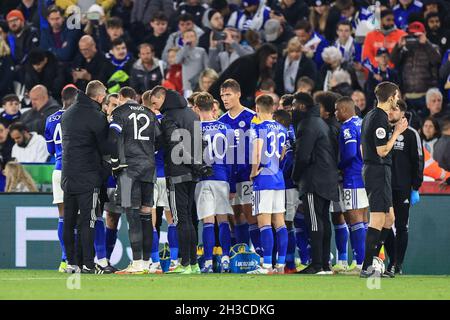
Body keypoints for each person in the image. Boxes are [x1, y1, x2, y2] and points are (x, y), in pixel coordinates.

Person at [60, 80, 111, 274]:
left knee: (69, 220)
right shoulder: (96, 116)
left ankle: (72, 263)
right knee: (88, 221)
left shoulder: (68, 114)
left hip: (68, 175)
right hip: (88, 176)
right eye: (104, 94)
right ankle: (89, 264)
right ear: (99, 97)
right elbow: (105, 147)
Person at [108, 86, 160, 275]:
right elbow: (160, 139)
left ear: (121, 97)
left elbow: (113, 137)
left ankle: (137, 263)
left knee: (132, 215)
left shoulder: (119, 112)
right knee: (146, 215)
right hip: (148, 168)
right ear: (135, 97)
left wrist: (115, 163)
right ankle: (146, 263)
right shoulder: (148, 112)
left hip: (128, 171)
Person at [360, 81, 408, 278]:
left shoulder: (370, 116)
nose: (398, 99)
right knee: (379, 218)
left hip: (378, 170)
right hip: (377, 170)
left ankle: (377, 263)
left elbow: (363, 149)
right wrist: (397, 132)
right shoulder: (380, 119)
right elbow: (381, 151)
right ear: (390, 98)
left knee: (390, 218)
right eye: (396, 96)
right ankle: (367, 267)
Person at [291, 92, 339, 274]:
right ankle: (325, 264)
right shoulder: (321, 123)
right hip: (328, 178)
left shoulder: (307, 124)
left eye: (294, 106)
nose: (292, 110)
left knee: (314, 220)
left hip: (314, 180)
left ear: (302, 107)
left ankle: (317, 264)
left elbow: (302, 156)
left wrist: (295, 177)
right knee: (324, 220)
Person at [158, 88, 205, 274]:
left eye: (156, 102)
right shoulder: (193, 115)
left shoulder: (168, 117)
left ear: (163, 99)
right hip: (192, 175)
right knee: (190, 220)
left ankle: (184, 263)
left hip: (177, 174)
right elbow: (200, 142)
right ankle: (193, 264)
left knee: (181, 219)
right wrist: (198, 165)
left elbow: (175, 144)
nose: (156, 106)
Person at [216, 79, 262, 256]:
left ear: (238, 94)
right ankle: (240, 253)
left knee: (250, 216)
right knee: (234, 217)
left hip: (248, 175)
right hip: (229, 177)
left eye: (228, 95)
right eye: (222, 96)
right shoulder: (222, 121)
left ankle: (258, 255)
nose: (225, 99)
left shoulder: (252, 117)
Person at [192, 92, 234, 273]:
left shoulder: (193, 129)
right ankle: (225, 258)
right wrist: (231, 184)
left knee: (208, 222)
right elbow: (233, 159)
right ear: (213, 107)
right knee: (223, 220)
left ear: (196, 108)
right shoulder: (226, 128)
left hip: (203, 179)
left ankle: (208, 262)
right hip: (222, 177)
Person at [247, 94, 287, 274]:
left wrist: (254, 171)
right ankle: (281, 264)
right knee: (280, 222)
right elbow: (283, 153)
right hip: (279, 178)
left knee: (264, 222)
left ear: (257, 108)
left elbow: (257, 151)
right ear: (273, 108)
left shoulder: (258, 127)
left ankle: (266, 265)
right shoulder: (282, 128)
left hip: (264, 179)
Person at [141, 88, 179, 273]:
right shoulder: (167, 120)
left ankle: (155, 262)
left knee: (150, 220)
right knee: (172, 219)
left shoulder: (141, 122)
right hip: (167, 174)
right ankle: (174, 261)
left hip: (150, 175)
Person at [384, 99, 424, 275]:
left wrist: (415, 186)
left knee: (401, 226)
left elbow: (418, 161)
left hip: (402, 187)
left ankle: (397, 264)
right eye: (389, 110)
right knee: (385, 225)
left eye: (394, 110)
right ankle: (391, 261)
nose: (391, 112)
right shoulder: (383, 131)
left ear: (402, 112)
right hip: (384, 186)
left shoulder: (411, 134)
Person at [44, 84, 77, 273]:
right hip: (76, 170)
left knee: (63, 217)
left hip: (58, 169)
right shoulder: (77, 116)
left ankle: (64, 260)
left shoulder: (50, 119)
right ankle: (77, 260)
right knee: (79, 216)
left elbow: (50, 150)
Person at [334, 96, 369, 273]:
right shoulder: (363, 123)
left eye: (337, 110)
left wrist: (338, 166)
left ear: (345, 110)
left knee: (355, 220)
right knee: (363, 220)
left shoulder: (347, 127)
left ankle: (361, 263)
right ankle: (365, 262)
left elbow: (349, 153)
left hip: (353, 177)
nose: (335, 113)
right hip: (366, 175)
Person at [391, 21, 441, 115]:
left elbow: (437, 60)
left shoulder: (432, 47)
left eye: (417, 35)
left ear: (424, 34)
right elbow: (393, 61)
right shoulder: (404, 49)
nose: (414, 38)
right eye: (412, 35)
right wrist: (398, 46)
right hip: (407, 96)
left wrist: (426, 43)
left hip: (426, 95)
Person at [209, 43, 278, 108]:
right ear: (264, 56)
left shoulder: (257, 67)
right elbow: (230, 86)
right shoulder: (247, 63)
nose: (275, 61)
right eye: (273, 58)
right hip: (219, 101)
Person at [273, 109, 298, 273]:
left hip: (287, 184)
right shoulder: (289, 134)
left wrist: (282, 172)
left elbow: (288, 160)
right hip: (285, 184)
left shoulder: (287, 136)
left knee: (286, 223)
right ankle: (285, 262)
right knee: (283, 223)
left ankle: (289, 263)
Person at [175, 29, 209, 97]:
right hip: (188, 86)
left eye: (192, 36)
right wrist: (185, 47)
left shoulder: (201, 51)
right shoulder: (181, 51)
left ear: (196, 38)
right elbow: (177, 61)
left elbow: (207, 68)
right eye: (187, 37)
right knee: (189, 105)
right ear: (183, 39)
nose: (190, 39)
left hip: (200, 85)